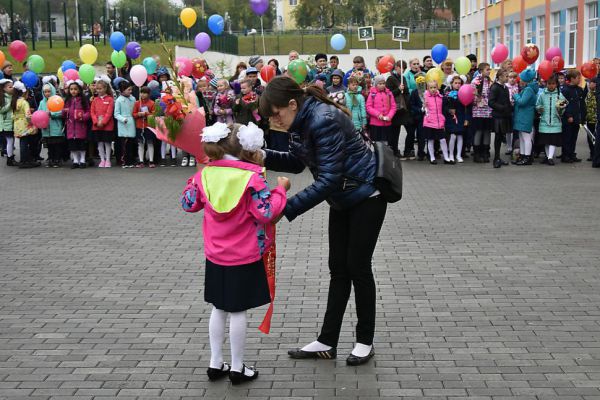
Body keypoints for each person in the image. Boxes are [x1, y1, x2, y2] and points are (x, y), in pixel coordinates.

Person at [259, 76, 388, 366]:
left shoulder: (323, 119)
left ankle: (365, 341)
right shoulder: (300, 121)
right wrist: (261, 155)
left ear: (292, 104)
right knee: (338, 270)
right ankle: (327, 341)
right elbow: (297, 161)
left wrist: (284, 210)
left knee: (357, 268)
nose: (274, 121)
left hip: (367, 195)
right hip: (343, 197)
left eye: (276, 114)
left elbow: (328, 179)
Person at [180, 121, 289, 384]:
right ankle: (238, 368)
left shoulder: (205, 174)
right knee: (238, 311)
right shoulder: (251, 178)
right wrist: (280, 190)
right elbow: (266, 212)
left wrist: (193, 180)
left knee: (219, 308)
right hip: (246, 253)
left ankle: (215, 362)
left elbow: (188, 203)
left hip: (216, 254)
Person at [536, 75, 567, 166]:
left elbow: (563, 108)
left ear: (556, 84)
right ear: (546, 84)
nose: (551, 86)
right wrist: (539, 108)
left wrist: (561, 108)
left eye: (553, 84)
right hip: (544, 121)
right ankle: (548, 157)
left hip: (555, 122)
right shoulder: (542, 95)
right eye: (549, 84)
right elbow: (537, 105)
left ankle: (550, 157)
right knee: (546, 141)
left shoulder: (559, 95)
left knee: (552, 141)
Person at [386, 60, 414, 158]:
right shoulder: (390, 78)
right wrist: (398, 89)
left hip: (405, 108)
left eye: (404, 68)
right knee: (395, 132)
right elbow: (389, 94)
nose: (402, 70)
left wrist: (404, 89)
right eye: (401, 67)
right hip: (397, 109)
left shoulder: (403, 78)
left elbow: (406, 92)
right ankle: (394, 150)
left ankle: (407, 150)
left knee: (410, 130)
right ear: (396, 67)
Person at [511, 69, 538, 166]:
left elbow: (522, 102)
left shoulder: (528, 90)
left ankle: (527, 157)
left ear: (526, 80)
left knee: (526, 137)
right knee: (522, 137)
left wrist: (516, 96)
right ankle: (522, 156)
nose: (520, 80)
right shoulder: (528, 89)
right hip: (523, 116)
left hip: (525, 116)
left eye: (521, 79)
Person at [63, 80, 90, 169]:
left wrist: (83, 116)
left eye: (75, 89)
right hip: (71, 127)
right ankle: (75, 160)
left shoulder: (83, 100)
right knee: (73, 145)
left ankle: (82, 160)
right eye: (71, 89)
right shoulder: (67, 100)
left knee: (81, 145)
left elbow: (88, 112)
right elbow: (64, 112)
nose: (73, 91)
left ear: (79, 90)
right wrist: (64, 112)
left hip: (80, 126)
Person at [488, 69, 512, 168]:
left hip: (505, 116)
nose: (507, 78)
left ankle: (499, 158)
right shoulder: (495, 87)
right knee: (498, 137)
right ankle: (496, 159)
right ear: (500, 77)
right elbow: (491, 102)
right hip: (498, 116)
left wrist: (510, 108)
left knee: (502, 136)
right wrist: (502, 108)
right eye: (506, 76)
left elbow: (507, 101)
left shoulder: (505, 88)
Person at [443, 75, 470, 163]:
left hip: (461, 116)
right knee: (452, 136)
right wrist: (449, 110)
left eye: (459, 83)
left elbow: (467, 107)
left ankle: (458, 155)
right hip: (451, 118)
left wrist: (466, 118)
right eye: (456, 83)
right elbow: (444, 106)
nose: (458, 85)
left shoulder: (464, 93)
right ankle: (451, 154)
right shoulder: (447, 94)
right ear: (451, 84)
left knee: (460, 136)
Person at [12, 81, 39, 169]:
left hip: (17, 123)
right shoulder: (24, 102)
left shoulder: (14, 101)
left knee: (21, 141)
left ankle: (23, 160)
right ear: (24, 92)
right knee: (25, 142)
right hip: (24, 124)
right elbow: (28, 115)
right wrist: (33, 122)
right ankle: (25, 160)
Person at [561, 69, 586, 163]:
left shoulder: (579, 90)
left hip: (576, 118)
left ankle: (572, 154)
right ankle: (565, 155)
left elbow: (582, 104)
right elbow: (562, 104)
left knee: (574, 137)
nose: (579, 80)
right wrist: (568, 115)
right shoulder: (565, 90)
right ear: (572, 79)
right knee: (567, 137)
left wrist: (582, 116)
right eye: (578, 78)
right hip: (568, 119)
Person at [422, 80, 450, 164]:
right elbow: (423, 110)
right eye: (431, 88)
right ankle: (432, 157)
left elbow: (444, 108)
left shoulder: (440, 97)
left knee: (442, 140)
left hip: (439, 122)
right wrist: (424, 106)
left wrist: (443, 118)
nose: (433, 89)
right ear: (428, 88)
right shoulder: (425, 97)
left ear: (437, 87)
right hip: (430, 122)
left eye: (434, 87)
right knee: (430, 140)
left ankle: (446, 157)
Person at [471, 63, 493, 163]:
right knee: (479, 131)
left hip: (488, 111)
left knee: (487, 131)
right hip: (478, 112)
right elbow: (472, 96)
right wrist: (478, 98)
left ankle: (485, 152)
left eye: (489, 69)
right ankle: (477, 153)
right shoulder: (476, 81)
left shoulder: (489, 81)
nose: (489, 71)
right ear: (481, 71)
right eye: (487, 69)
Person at [38, 82, 64, 168]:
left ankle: (57, 159)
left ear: (52, 91)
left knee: (56, 145)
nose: (47, 93)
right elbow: (39, 112)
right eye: (45, 92)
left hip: (56, 127)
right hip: (46, 128)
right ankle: (51, 158)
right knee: (49, 145)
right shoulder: (42, 102)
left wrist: (52, 114)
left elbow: (61, 113)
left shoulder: (57, 100)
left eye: (49, 91)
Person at [91, 79, 115, 168]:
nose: (99, 90)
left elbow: (109, 113)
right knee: (100, 143)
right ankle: (102, 159)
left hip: (107, 126)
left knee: (107, 143)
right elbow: (92, 112)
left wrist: (103, 122)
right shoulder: (95, 100)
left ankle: (108, 159)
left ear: (105, 88)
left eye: (100, 88)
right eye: (97, 89)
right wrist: (96, 122)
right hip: (97, 126)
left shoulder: (110, 99)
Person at [365, 75, 396, 143]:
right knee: (377, 142)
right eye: (380, 84)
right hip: (375, 123)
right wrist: (378, 114)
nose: (382, 85)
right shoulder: (372, 94)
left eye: (383, 83)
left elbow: (393, 107)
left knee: (386, 142)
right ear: (376, 84)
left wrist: (389, 116)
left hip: (387, 123)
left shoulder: (389, 93)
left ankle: (385, 153)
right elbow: (368, 107)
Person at [114, 80, 136, 168]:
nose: (130, 91)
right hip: (124, 123)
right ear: (122, 90)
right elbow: (116, 114)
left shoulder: (133, 98)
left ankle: (131, 160)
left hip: (132, 122)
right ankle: (124, 161)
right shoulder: (119, 100)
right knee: (124, 144)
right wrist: (123, 119)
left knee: (131, 143)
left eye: (131, 90)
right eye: (128, 90)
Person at [133, 86, 156, 168]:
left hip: (149, 126)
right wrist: (138, 114)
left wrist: (146, 114)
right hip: (139, 126)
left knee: (150, 143)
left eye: (145, 93)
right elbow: (134, 114)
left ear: (148, 94)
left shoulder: (152, 103)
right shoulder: (137, 103)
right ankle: (141, 161)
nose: (143, 94)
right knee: (140, 143)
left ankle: (151, 160)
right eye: (141, 92)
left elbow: (154, 114)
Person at [409, 73, 428, 161]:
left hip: (427, 117)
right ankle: (420, 152)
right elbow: (411, 105)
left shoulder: (428, 91)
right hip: (419, 117)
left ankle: (427, 151)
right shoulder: (414, 92)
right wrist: (420, 109)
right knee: (420, 135)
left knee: (425, 135)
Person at [0, 78, 15, 165]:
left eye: (12, 86)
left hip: (12, 122)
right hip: (5, 124)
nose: (12, 88)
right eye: (10, 87)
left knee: (11, 140)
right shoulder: (3, 98)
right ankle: (10, 158)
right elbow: (1, 110)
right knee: (10, 140)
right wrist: (10, 104)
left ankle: (10, 156)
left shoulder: (11, 97)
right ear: (4, 88)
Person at [505, 71, 520, 155]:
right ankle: (509, 147)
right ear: (507, 78)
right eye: (510, 77)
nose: (512, 79)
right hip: (508, 109)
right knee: (508, 129)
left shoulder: (518, 87)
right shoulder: (505, 86)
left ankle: (515, 146)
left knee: (515, 129)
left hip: (516, 108)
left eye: (514, 78)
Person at [585, 78, 597, 162]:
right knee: (590, 138)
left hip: (596, 120)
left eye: (591, 83)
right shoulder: (588, 93)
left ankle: (596, 155)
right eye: (589, 83)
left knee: (596, 138)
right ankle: (592, 154)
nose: (589, 84)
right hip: (589, 119)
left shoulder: (597, 94)